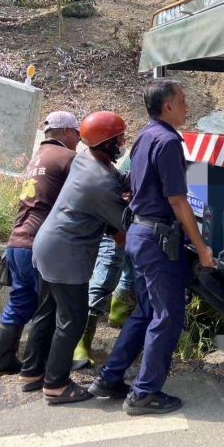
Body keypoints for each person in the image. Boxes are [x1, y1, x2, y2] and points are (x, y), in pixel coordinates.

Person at [89, 79, 215, 415]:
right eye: (183, 100)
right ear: (168, 107)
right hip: (159, 241)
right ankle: (144, 394)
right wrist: (201, 247)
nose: (187, 106)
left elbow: (135, 185)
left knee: (146, 312)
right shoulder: (170, 142)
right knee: (168, 316)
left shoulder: (145, 136)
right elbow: (178, 201)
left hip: (138, 235)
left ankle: (109, 378)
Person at [18, 111, 131, 404]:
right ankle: (56, 385)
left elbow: (118, 180)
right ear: (106, 143)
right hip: (66, 255)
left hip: (47, 245)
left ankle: (32, 373)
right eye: (119, 137)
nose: (123, 141)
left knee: (47, 312)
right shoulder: (100, 183)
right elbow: (124, 227)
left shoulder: (85, 160)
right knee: (73, 319)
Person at [0, 111, 80, 377]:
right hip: (39, 246)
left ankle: (3, 361)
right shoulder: (67, 158)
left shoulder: (36, 158)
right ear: (66, 132)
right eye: (77, 133)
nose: (78, 138)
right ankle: (38, 366)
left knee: (20, 303)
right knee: (48, 309)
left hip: (16, 243)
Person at [70, 155, 136, 372]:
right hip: (115, 222)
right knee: (105, 277)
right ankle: (81, 342)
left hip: (132, 223)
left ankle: (117, 314)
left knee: (130, 271)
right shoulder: (146, 151)